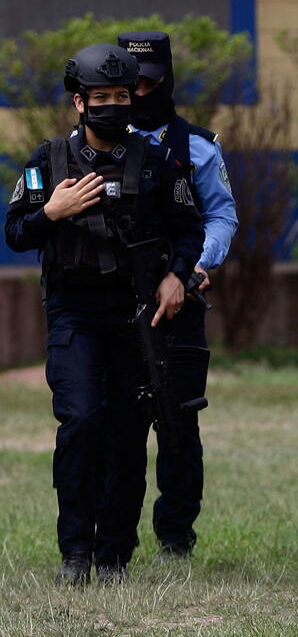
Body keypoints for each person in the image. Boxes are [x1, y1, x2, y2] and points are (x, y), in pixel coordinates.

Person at [4, 44, 203, 584]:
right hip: (74, 312)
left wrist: (175, 275)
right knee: (82, 421)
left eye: (122, 95)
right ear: (79, 102)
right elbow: (16, 232)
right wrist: (52, 211)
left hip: (136, 313)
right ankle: (75, 552)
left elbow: (190, 230)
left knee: (128, 430)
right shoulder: (48, 161)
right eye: (101, 98)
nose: (114, 105)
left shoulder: (159, 162)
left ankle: (114, 551)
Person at [117, 30, 239, 559]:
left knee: (178, 421)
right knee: (115, 422)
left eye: (150, 82)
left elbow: (221, 216)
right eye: (130, 82)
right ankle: (111, 533)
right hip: (114, 303)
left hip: (179, 301)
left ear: (166, 80)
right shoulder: (94, 141)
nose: (140, 91)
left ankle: (175, 535)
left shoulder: (197, 147)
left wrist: (193, 266)